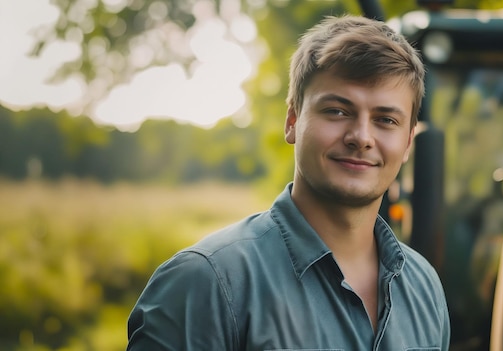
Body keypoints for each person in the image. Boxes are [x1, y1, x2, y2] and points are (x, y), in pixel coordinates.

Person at [127, 14, 450, 351]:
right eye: (338, 111)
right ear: (293, 120)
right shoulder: (205, 283)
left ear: (409, 142)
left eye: (386, 119)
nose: (361, 137)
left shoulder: (424, 285)